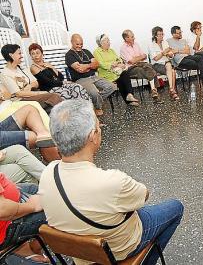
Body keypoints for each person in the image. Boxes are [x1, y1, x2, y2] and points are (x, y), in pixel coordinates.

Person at [39, 100, 184, 265]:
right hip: (119, 249)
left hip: (81, 257)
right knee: (175, 207)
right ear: (93, 136)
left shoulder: (47, 173)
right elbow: (144, 195)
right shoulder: (113, 181)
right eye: (98, 125)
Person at [0, 172, 48, 263]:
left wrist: (7, 186)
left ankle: (24, 249)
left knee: (35, 188)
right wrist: (32, 206)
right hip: (6, 224)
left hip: (11, 205)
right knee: (56, 210)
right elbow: (2, 210)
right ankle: (35, 248)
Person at [0, 44, 62, 113]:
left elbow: (36, 83)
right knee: (54, 97)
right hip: (21, 100)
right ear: (11, 55)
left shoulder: (21, 68)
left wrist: (30, 86)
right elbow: (19, 94)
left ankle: (47, 112)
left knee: (55, 99)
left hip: (31, 94)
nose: (21, 56)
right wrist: (40, 93)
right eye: (19, 54)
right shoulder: (5, 74)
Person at [65, 34, 117, 116]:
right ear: (72, 42)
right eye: (77, 44)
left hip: (93, 76)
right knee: (94, 93)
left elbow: (96, 64)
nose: (80, 46)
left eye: (81, 44)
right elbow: (80, 70)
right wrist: (90, 65)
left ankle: (94, 102)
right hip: (81, 79)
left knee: (112, 87)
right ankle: (97, 107)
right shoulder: (69, 55)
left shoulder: (86, 51)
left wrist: (87, 66)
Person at [93, 34, 139, 106]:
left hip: (116, 72)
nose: (109, 43)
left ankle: (130, 95)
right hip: (106, 74)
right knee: (121, 78)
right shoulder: (97, 52)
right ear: (101, 43)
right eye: (107, 41)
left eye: (109, 41)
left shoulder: (111, 50)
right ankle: (129, 99)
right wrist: (113, 64)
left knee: (124, 74)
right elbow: (101, 64)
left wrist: (119, 63)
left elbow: (119, 59)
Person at [120, 29, 164, 104]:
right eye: (132, 36)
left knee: (149, 66)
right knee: (148, 70)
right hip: (131, 68)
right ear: (126, 38)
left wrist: (138, 58)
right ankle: (154, 91)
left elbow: (145, 56)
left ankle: (154, 91)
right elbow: (132, 61)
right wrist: (140, 57)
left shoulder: (136, 44)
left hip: (141, 64)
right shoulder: (123, 48)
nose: (134, 38)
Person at [167, 26, 203, 95]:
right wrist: (182, 51)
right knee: (202, 61)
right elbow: (170, 53)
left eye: (181, 32)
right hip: (180, 61)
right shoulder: (169, 41)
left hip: (188, 57)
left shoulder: (184, 40)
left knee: (200, 58)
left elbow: (188, 51)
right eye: (178, 33)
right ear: (173, 34)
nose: (181, 34)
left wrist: (177, 51)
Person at [148, 26, 179, 100]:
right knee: (171, 70)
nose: (162, 36)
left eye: (162, 34)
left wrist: (171, 54)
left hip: (166, 63)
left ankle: (171, 89)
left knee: (169, 65)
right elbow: (155, 58)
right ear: (155, 35)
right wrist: (163, 53)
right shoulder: (151, 45)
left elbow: (170, 55)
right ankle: (172, 90)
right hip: (156, 65)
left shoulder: (165, 43)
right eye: (160, 34)